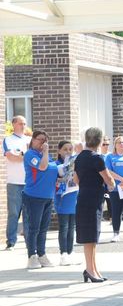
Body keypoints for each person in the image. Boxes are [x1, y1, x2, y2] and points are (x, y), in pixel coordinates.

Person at [73, 127, 115, 283]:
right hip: (94, 198)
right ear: (98, 141)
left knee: (91, 236)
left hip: (83, 197)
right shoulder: (97, 158)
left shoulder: (80, 157)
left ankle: (93, 269)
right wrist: (112, 185)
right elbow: (108, 178)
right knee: (91, 236)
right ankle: (90, 270)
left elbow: (76, 180)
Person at [23, 130, 60, 269]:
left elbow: (53, 171)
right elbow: (42, 167)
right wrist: (45, 152)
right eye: (40, 139)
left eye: (45, 140)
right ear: (33, 140)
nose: (43, 143)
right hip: (33, 196)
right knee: (34, 228)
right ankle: (31, 256)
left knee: (43, 228)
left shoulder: (47, 156)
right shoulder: (30, 155)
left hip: (48, 197)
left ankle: (42, 255)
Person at [4, 115, 31, 251]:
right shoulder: (8, 140)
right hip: (14, 182)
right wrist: (25, 157)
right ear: (14, 124)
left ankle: (28, 241)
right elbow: (11, 157)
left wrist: (21, 156)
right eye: (21, 123)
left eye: (25, 123)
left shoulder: (30, 140)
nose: (23, 126)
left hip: (29, 183)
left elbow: (32, 158)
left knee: (28, 213)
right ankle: (11, 241)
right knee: (14, 213)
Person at [55, 141, 79, 266]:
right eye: (65, 149)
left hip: (74, 197)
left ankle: (70, 252)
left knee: (72, 227)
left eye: (70, 149)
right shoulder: (55, 165)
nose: (68, 152)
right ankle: (63, 253)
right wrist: (61, 179)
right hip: (62, 199)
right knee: (64, 227)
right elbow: (53, 182)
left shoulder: (74, 164)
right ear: (59, 151)